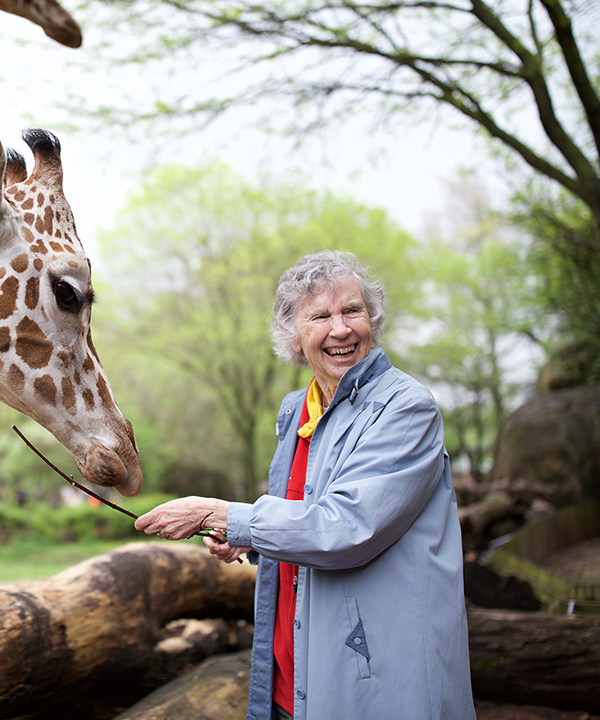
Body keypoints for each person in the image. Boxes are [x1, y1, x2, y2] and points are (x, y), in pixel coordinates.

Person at [135, 250, 474, 720]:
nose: (340, 329)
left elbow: (344, 527)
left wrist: (221, 514)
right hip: (290, 676)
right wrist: (250, 543)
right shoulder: (297, 410)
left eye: (352, 310)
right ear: (294, 336)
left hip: (373, 682)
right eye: (320, 316)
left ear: (371, 318)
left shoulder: (405, 408)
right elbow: (303, 513)